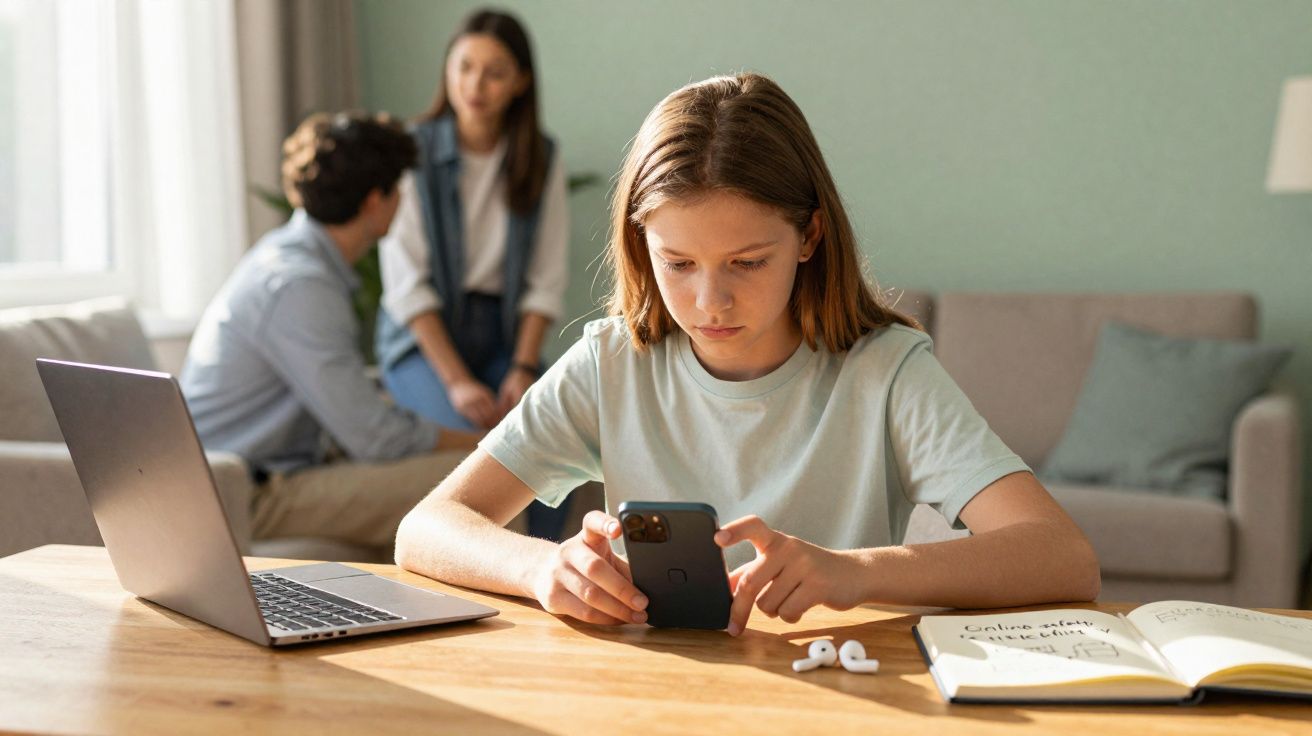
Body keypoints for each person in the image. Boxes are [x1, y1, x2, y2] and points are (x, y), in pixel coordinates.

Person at [393, 73, 1101, 635]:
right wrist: (541, 569)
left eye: (748, 262)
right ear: (642, 245)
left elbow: (1062, 555)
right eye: (678, 264)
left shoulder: (886, 371)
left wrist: (855, 572)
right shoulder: (611, 363)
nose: (711, 302)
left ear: (810, 236)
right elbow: (425, 528)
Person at [181, 112, 481, 556]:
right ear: (375, 201)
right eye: (398, 189)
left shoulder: (287, 259)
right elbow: (377, 439)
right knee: (480, 481)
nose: (403, 198)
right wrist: (487, 442)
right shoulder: (300, 286)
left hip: (260, 470)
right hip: (239, 492)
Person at [375, 8, 572, 541]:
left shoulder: (541, 157)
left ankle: (542, 566)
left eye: (494, 72)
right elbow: (408, 287)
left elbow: (545, 279)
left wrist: (523, 366)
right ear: (447, 69)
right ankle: (483, 571)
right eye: (464, 67)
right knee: (483, 452)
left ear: (521, 82)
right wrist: (457, 381)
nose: (475, 85)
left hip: (504, 337)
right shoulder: (412, 151)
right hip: (424, 341)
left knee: (553, 441)